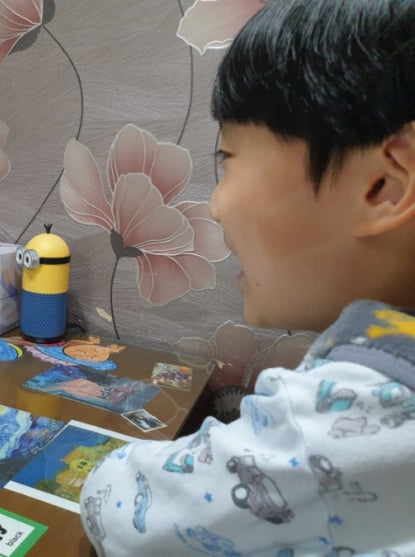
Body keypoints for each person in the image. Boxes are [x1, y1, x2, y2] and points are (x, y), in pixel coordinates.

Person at [79, 1, 415, 555]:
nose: (213, 206)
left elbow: (122, 504)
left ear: (385, 186)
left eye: (228, 158)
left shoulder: (356, 406)